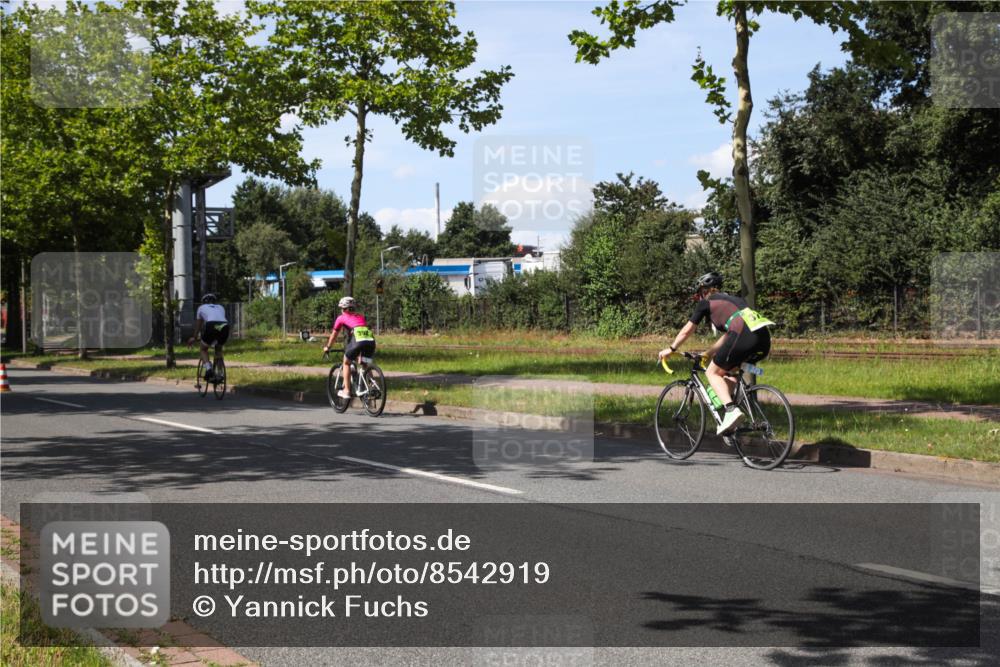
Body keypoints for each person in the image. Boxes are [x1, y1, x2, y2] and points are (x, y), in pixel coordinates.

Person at [658, 272, 774, 434]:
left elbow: (687, 330)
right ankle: (731, 423)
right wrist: (708, 353)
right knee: (729, 372)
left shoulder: (706, 303)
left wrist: (671, 349)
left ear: (704, 291)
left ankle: (731, 410)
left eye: (699, 293)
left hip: (742, 335)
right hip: (763, 338)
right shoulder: (734, 300)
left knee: (712, 373)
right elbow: (728, 336)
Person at [323, 296, 376, 400]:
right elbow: (362, 334)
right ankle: (373, 386)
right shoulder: (360, 317)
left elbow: (334, 335)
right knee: (364, 363)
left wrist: (328, 347)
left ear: (344, 308)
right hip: (370, 341)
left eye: (341, 308)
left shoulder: (341, 318)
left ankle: (346, 391)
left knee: (346, 362)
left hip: (358, 341)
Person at [188, 293, 229, 381]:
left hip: (211, 325)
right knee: (218, 349)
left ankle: (208, 368)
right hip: (224, 326)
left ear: (204, 302)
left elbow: (199, 325)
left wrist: (194, 337)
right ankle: (220, 373)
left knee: (203, 348)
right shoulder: (221, 307)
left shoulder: (201, 308)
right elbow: (219, 319)